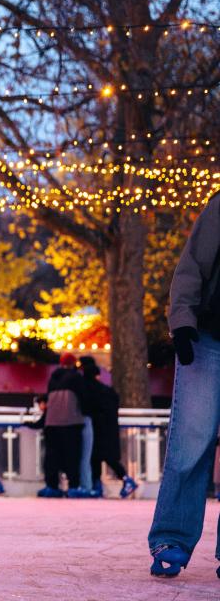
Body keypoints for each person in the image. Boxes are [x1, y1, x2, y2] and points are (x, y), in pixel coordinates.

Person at [148, 192, 220, 578]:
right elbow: (192, 266)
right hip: (207, 339)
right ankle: (172, 537)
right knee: (191, 441)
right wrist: (182, 322)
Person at [78, 356, 137, 499]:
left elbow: (86, 407)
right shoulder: (108, 391)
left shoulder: (87, 388)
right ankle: (124, 480)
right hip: (110, 427)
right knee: (108, 457)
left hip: (97, 428)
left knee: (96, 457)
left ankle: (97, 485)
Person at [38, 353, 89, 498]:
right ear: (73, 364)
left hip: (52, 422)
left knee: (52, 456)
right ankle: (73, 486)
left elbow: (47, 398)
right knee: (72, 455)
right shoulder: (77, 378)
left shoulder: (53, 379)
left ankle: (52, 485)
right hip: (71, 422)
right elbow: (84, 399)